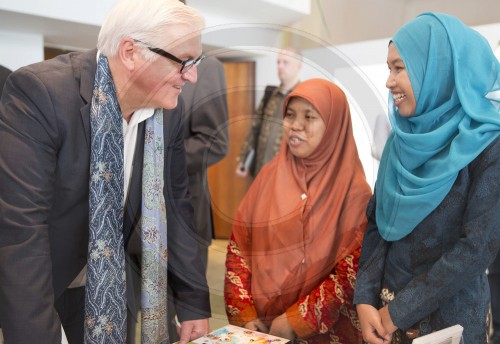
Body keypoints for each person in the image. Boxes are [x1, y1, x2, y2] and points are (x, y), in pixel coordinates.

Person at [0, 0, 212, 343]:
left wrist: (192, 301)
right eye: (183, 62)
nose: (192, 75)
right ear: (130, 52)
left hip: (113, 285)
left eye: (196, 61)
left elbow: (176, 205)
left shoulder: (168, 111)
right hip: (42, 282)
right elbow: (20, 227)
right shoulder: (42, 94)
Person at [353, 13, 500, 344]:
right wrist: (365, 299)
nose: (389, 81)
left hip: (450, 324)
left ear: (437, 69)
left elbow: (477, 248)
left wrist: (398, 313)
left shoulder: (488, 143)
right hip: (383, 321)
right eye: (388, 68)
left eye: (399, 68)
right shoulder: (400, 140)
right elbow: (378, 221)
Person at [224, 78, 372, 343]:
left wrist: (298, 320)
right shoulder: (269, 176)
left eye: (309, 117)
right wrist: (245, 314)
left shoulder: (354, 192)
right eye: (290, 115)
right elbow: (240, 248)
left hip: (324, 335)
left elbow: (351, 271)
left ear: (334, 126)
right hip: (259, 330)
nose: (296, 125)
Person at [181, 55, 229, 270]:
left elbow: (215, 143)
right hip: (134, 223)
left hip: (185, 212)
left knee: (183, 300)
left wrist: (153, 157)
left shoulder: (207, 67)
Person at [235, 47, 302, 178]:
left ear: (298, 66)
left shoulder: (303, 99)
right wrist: (244, 159)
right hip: (261, 171)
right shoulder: (270, 94)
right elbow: (255, 128)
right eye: (278, 62)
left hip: (286, 176)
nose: (280, 66)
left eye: (285, 62)